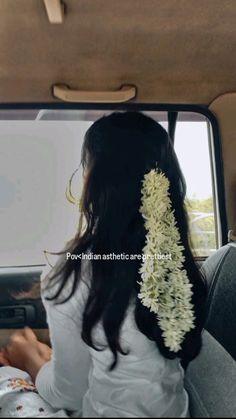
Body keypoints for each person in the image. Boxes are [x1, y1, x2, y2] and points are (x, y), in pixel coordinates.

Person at [0, 112, 206, 417]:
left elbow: (69, 393)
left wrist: (31, 358)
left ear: (95, 181)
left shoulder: (70, 273)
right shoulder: (179, 267)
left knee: (6, 382)